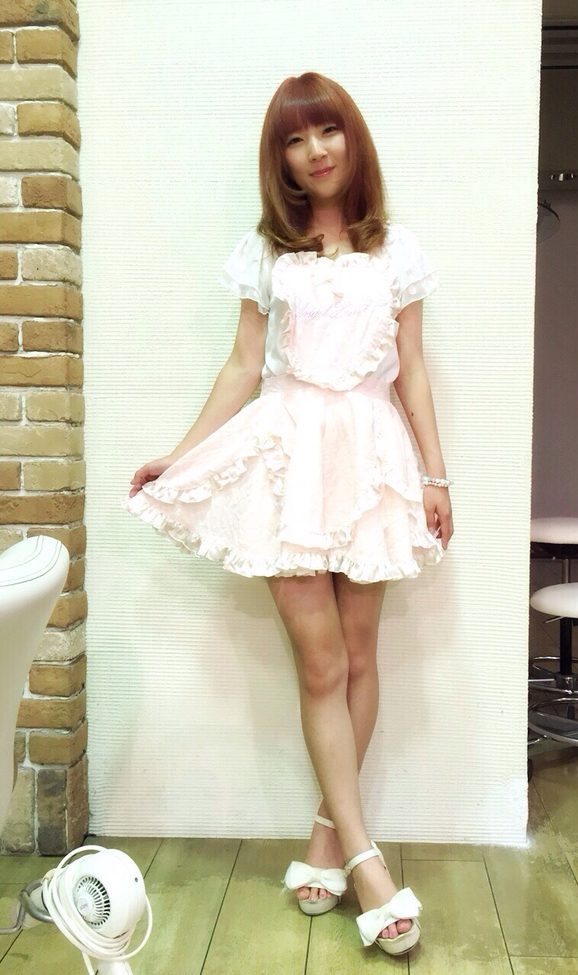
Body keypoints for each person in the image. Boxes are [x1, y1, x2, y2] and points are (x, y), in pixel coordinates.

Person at [121, 71, 453, 957]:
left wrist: (436, 475)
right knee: (320, 665)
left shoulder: (397, 251)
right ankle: (370, 863)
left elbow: (413, 371)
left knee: (359, 658)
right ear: (283, 161)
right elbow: (243, 364)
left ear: (353, 139)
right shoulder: (265, 252)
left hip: (372, 460)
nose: (316, 151)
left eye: (328, 131)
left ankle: (326, 840)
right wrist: (182, 454)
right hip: (286, 461)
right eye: (296, 140)